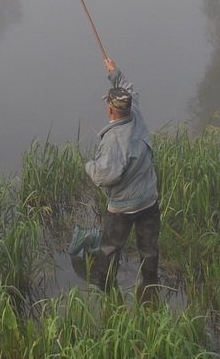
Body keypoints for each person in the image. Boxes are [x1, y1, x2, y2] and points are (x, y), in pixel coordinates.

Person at [81, 56, 160, 297]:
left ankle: (106, 290)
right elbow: (130, 90)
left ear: (110, 110)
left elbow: (105, 176)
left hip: (123, 208)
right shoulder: (136, 113)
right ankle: (150, 285)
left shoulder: (114, 141)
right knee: (149, 248)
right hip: (149, 200)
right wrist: (114, 72)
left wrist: (89, 166)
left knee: (110, 248)